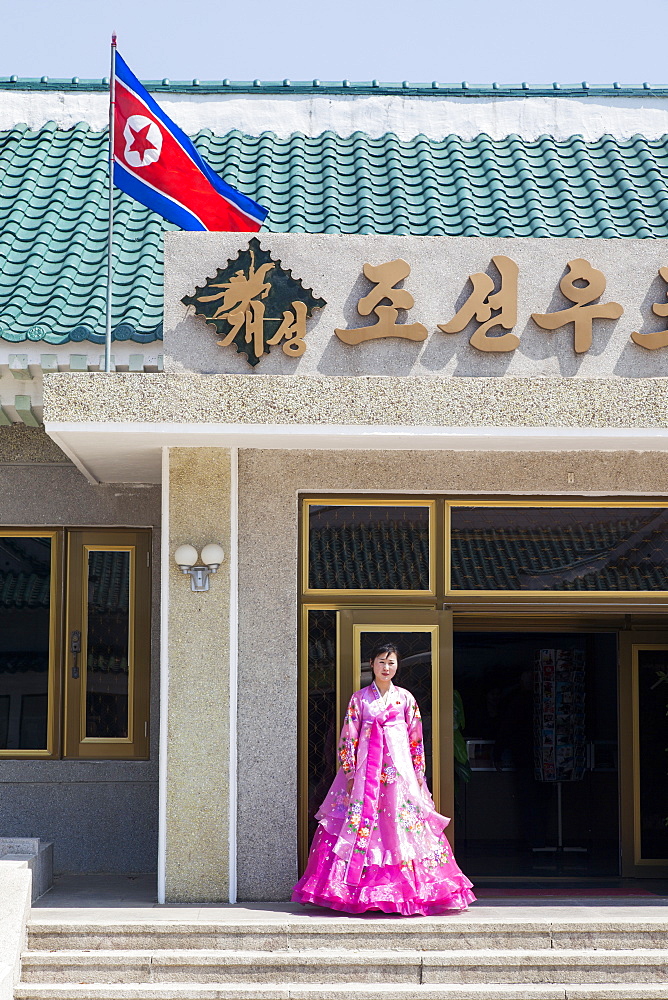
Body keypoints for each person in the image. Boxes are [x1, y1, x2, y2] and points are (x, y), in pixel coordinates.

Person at [292, 641, 475, 915]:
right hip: (366, 777)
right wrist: (350, 771)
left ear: (397, 666)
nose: (386, 667)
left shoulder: (406, 699)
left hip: (398, 778)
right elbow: (348, 738)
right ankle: (355, 892)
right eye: (381, 662)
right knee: (362, 825)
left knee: (399, 828)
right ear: (371, 664)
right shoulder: (360, 699)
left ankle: (409, 891)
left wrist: (418, 774)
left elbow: (416, 741)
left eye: (391, 662)